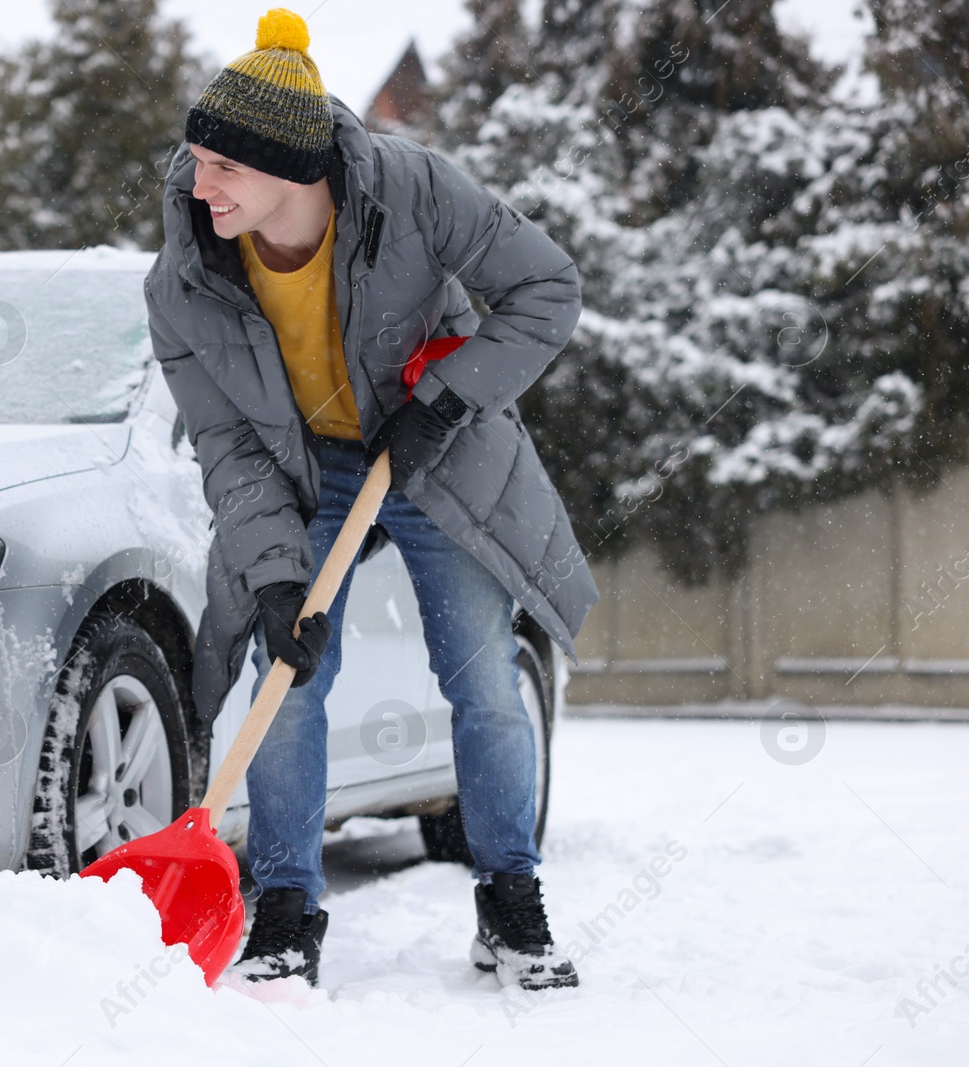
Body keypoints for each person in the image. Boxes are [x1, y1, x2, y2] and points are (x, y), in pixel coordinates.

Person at [144, 8, 598, 990]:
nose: (195, 182)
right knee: (287, 674)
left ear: (288, 168)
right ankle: (284, 909)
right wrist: (272, 573)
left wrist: (445, 398)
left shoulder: (411, 190)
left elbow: (545, 289)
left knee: (482, 678)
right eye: (193, 158)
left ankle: (510, 899)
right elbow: (226, 441)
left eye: (220, 166)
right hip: (305, 467)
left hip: (438, 440)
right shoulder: (184, 279)